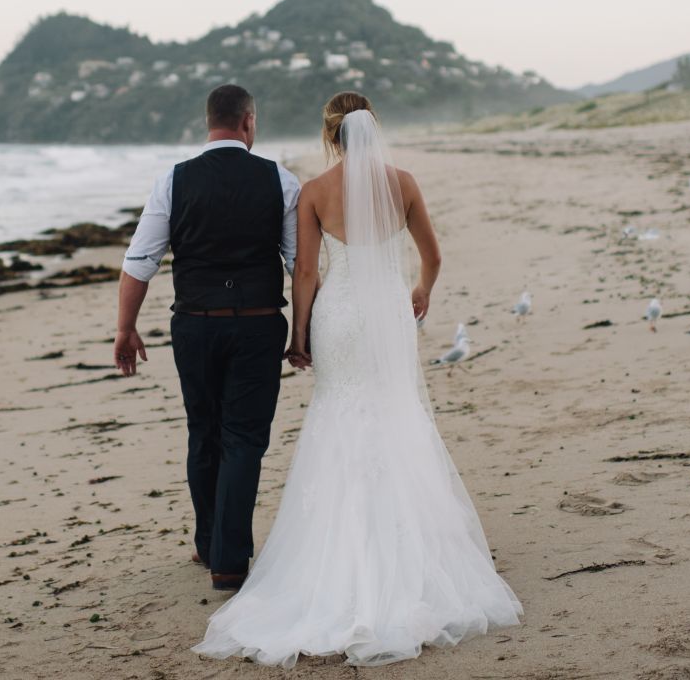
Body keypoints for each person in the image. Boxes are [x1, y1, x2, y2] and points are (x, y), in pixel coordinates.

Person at [193, 91, 522, 667]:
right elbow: (433, 256)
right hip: (388, 314)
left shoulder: (315, 192)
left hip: (339, 315)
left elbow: (304, 274)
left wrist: (298, 335)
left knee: (338, 414)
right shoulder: (405, 183)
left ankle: (332, 561)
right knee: (395, 410)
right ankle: (412, 551)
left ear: (331, 137)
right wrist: (420, 290)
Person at [114, 84, 300, 592]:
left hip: (195, 324)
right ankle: (230, 558)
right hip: (259, 324)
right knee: (244, 439)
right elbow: (299, 264)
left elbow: (140, 261)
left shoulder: (173, 181)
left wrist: (126, 327)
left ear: (208, 122)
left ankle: (208, 541)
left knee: (204, 430)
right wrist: (302, 331)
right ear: (249, 122)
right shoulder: (280, 180)